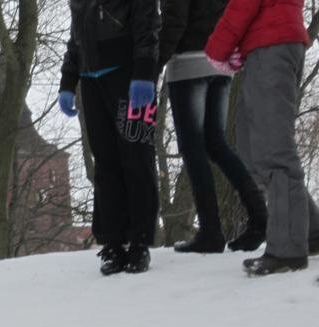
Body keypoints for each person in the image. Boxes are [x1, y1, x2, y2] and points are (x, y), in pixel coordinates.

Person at [205, 0, 319, 276]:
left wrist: (218, 48)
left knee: (274, 151)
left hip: (274, 46)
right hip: (262, 48)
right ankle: (311, 231)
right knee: (251, 150)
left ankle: (288, 251)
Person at [58, 1, 161, 275]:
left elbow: (148, 25)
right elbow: (76, 35)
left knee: (137, 157)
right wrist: (68, 80)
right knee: (104, 162)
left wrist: (145, 72)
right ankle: (113, 242)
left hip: (129, 75)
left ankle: (140, 241)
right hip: (90, 78)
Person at [159, 0, 267, 254]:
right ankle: (260, 217)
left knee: (193, 148)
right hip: (221, 61)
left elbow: (175, 20)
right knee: (216, 144)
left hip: (189, 62)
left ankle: (210, 230)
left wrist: (151, 67)